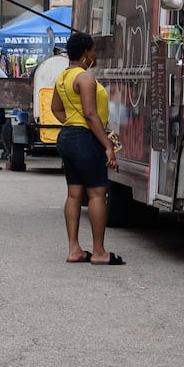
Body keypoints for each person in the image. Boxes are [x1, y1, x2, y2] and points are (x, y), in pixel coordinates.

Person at [50, 30, 123, 265]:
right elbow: (91, 115)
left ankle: (74, 249)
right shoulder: (85, 78)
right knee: (97, 194)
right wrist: (108, 146)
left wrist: (73, 125)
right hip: (86, 138)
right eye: (93, 50)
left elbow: (56, 109)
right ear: (85, 53)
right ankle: (99, 252)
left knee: (73, 194)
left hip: (67, 137)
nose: (95, 54)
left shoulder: (62, 77)